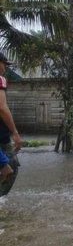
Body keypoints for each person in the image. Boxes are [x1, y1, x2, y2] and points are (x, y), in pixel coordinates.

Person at [0, 52, 21, 191]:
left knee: (10, 165)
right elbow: (2, 107)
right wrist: (15, 132)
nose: (5, 68)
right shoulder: (0, 79)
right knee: (11, 165)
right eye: (4, 64)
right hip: (2, 135)